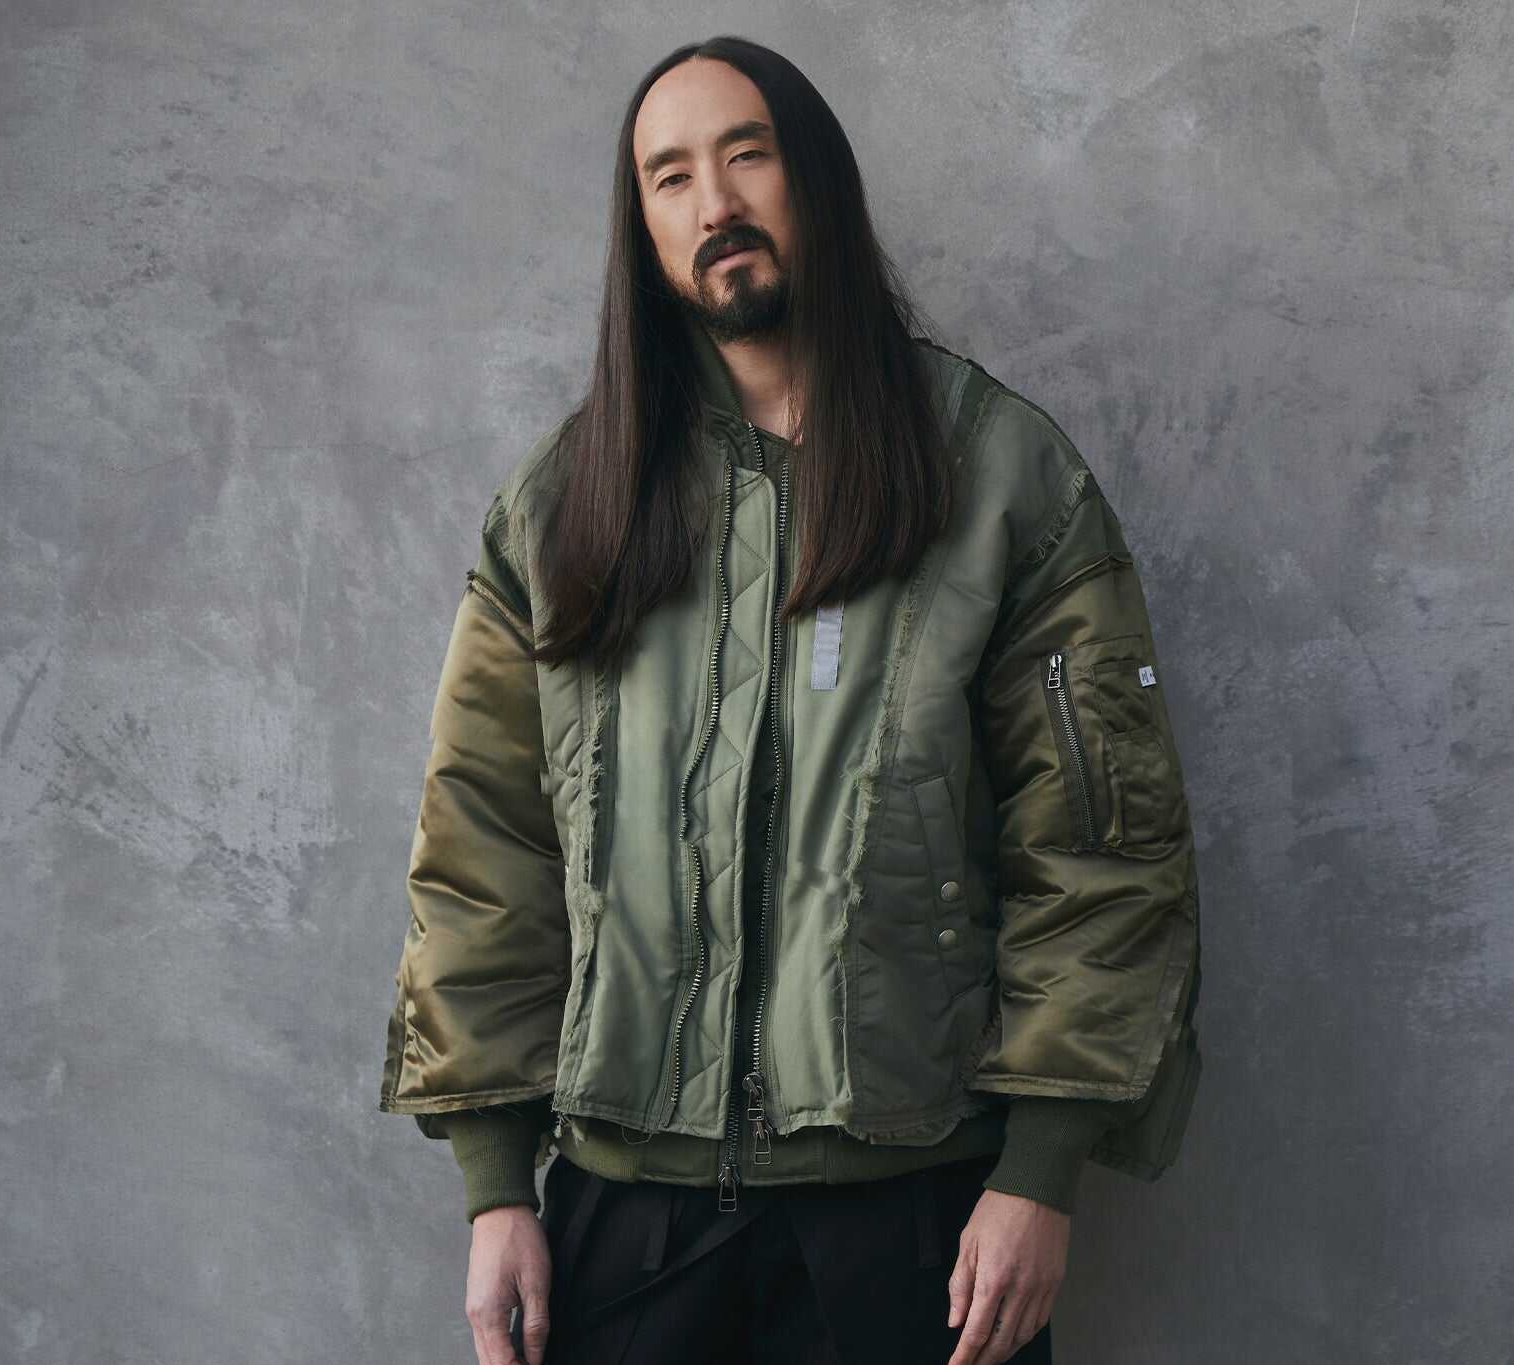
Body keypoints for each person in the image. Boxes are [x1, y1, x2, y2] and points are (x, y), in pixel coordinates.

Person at [376, 33, 1205, 1365]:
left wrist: (1042, 1168)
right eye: (670, 177)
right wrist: (494, 1186)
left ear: (814, 178)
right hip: (622, 1216)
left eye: (746, 155)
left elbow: (1101, 844)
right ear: (642, 226)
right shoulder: (563, 505)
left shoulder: (1000, 477)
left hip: (920, 1219)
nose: (714, 203)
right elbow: (484, 849)